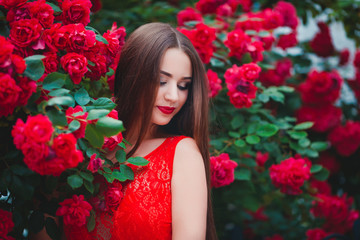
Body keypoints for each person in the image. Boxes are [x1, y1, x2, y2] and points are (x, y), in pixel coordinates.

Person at [33, 22, 217, 240]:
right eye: (161, 81)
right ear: (133, 75)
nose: (174, 97)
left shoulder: (182, 153)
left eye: (183, 85)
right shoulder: (84, 149)